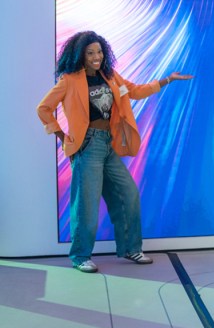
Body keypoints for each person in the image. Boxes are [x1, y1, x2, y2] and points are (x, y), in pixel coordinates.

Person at [37, 31, 193, 273]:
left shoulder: (109, 77)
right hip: (87, 146)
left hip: (107, 144)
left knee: (127, 193)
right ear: (80, 55)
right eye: (90, 53)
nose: (96, 57)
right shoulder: (69, 80)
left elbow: (135, 91)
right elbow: (44, 108)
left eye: (99, 51)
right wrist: (61, 136)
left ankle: (131, 248)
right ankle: (80, 256)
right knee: (86, 205)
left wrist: (167, 80)